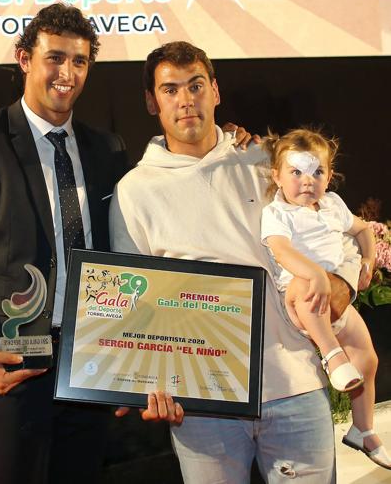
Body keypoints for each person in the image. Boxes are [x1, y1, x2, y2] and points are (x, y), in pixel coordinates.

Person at [0, 3, 180, 484]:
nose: (68, 74)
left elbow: (126, 257)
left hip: (90, 366)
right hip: (10, 372)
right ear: (25, 59)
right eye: (55, 58)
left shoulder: (107, 148)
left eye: (80, 61)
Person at [109, 40, 362, 483]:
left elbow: (336, 228)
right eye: (170, 90)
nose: (186, 100)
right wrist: (151, 379)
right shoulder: (133, 191)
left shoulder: (266, 160)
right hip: (204, 403)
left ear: (216, 91)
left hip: (294, 385)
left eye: (196, 85)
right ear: (152, 101)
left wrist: (345, 281)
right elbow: (135, 302)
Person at [261, 128, 390, 470]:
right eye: (296, 172)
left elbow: (362, 229)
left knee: (367, 358)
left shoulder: (332, 205)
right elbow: (281, 249)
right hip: (300, 298)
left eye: (317, 172)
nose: (308, 181)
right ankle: (331, 355)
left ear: (330, 175)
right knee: (305, 288)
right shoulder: (277, 213)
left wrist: (367, 258)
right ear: (277, 175)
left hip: (336, 301)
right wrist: (315, 274)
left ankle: (362, 429)